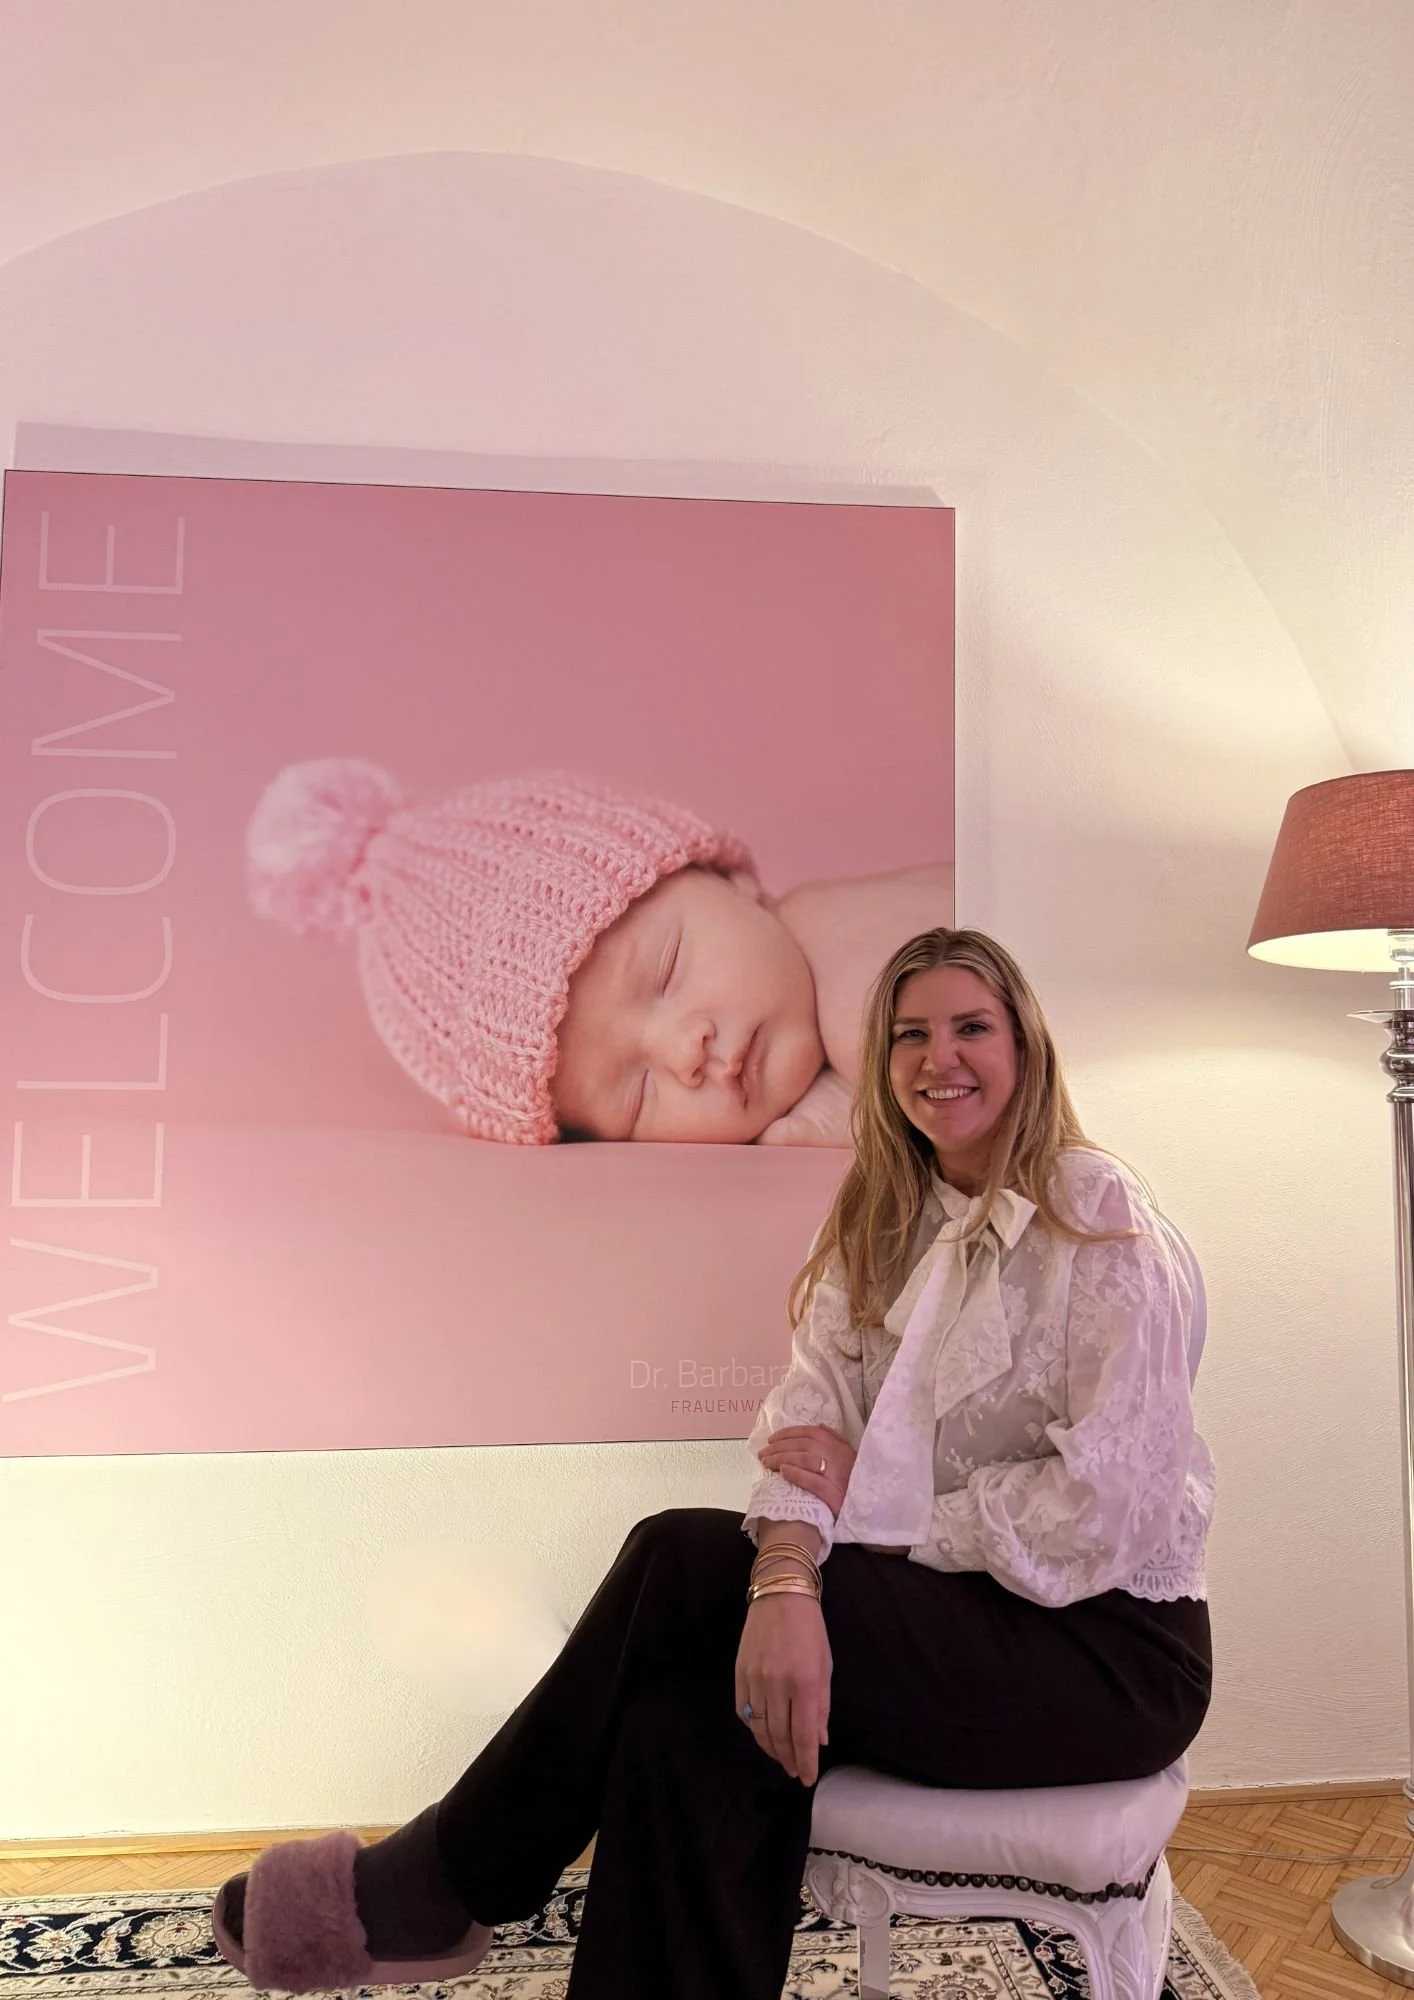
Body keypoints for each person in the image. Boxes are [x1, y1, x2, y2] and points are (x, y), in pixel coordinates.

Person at [211, 926, 1215, 2000]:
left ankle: (441, 1876)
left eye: (971, 1026)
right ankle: (452, 1884)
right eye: (908, 1034)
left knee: (677, 1554)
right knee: (684, 1715)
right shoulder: (880, 1217)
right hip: (942, 1618)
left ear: (1026, 1045)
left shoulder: (1098, 1219)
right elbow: (803, 1426)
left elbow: (1101, 1510)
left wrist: (869, 1516)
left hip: (1103, 1654)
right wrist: (787, 1574)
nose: (940, 1058)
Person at [245, 757, 952, 1145]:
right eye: (635, 1094)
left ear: (726, 877)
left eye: (666, 970)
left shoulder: (839, 935)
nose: (685, 1052)